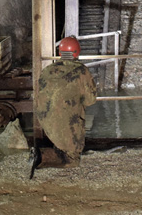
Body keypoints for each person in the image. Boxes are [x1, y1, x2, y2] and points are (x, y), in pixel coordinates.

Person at [29, 36, 97, 178]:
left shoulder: (47, 70)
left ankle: (53, 149)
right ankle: (41, 156)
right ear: (77, 52)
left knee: (61, 132)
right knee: (73, 159)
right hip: (65, 120)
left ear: (60, 52)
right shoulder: (81, 71)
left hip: (45, 119)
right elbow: (90, 100)